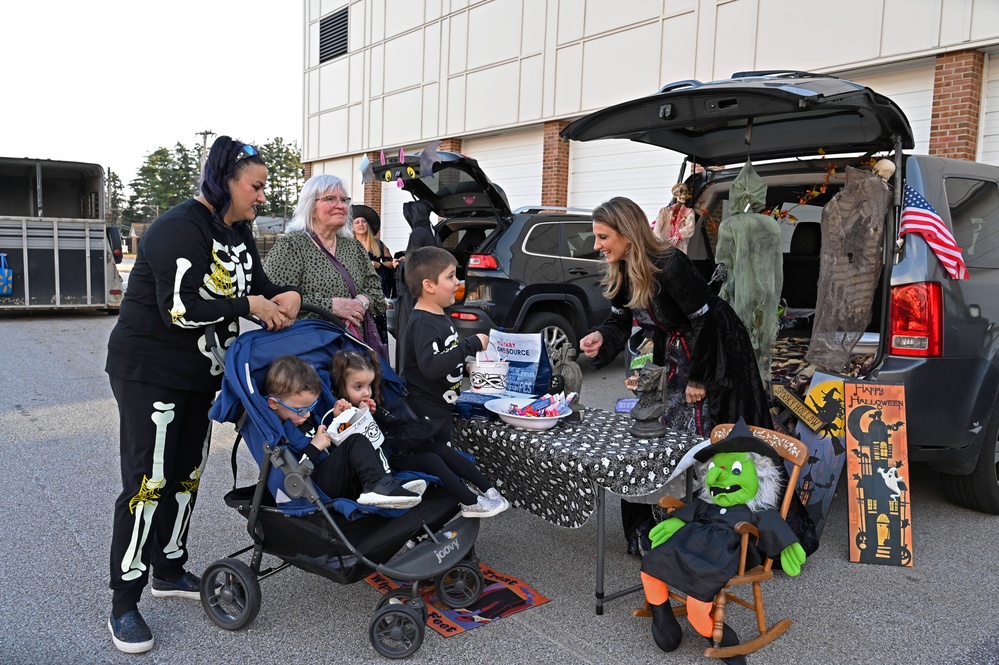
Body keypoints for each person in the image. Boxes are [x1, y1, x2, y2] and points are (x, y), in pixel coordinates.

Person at [104, 136, 302, 654]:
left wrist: (285, 298)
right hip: (149, 370)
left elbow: (257, 284)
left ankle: (168, 569)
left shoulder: (238, 231)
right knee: (148, 480)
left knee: (187, 475)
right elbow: (181, 309)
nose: (261, 196)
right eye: (255, 186)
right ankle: (124, 600)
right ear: (225, 181)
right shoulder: (177, 228)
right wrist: (249, 304)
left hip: (200, 375)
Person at [578, 196, 772, 556]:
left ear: (627, 233)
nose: (597, 245)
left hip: (715, 349)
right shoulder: (623, 268)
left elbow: (705, 320)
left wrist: (700, 379)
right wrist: (602, 337)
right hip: (676, 350)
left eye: (603, 237)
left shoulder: (669, 263)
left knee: (704, 431)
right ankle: (660, 523)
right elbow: (621, 319)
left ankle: (717, 526)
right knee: (662, 428)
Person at [397, 246, 510, 518]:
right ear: (429, 285)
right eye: (450, 277)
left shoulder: (439, 316)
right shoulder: (423, 322)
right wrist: (469, 344)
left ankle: (485, 495)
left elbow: (444, 357)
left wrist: (468, 367)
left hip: (441, 408)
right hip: (424, 411)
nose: (458, 283)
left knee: (441, 458)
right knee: (433, 462)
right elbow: (429, 366)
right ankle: (461, 506)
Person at [261, 355, 423, 509]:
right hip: (316, 487)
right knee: (355, 441)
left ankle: (385, 481)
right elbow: (295, 470)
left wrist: (339, 420)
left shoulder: (306, 419)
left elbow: (333, 446)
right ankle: (377, 487)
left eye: (310, 408)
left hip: (338, 476)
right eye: (301, 410)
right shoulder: (282, 432)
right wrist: (314, 447)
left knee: (361, 439)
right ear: (275, 404)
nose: (307, 414)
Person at [263, 174, 387, 357]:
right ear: (310, 206)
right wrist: (330, 306)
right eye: (330, 198)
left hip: (353, 353)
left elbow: (377, 292)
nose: (340, 205)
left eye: (344, 200)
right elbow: (273, 299)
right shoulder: (291, 245)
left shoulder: (353, 247)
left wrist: (360, 302)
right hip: (307, 353)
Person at [394, 199, 440, 370]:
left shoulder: (417, 233)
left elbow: (412, 267)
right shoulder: (432, 232)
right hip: (427, 291)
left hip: (412, 295)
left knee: (408, 334)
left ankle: (405, 375)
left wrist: (400, 265)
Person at [351, 204, 394, 345]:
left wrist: (378, 264)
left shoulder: (378, 244)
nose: (361, 224)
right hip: (356, 290)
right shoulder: (348, 245)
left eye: (363, 221)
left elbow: (390, 263)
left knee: (377, 325)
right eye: (357, 222)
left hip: (376, 291)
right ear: (352, 226)